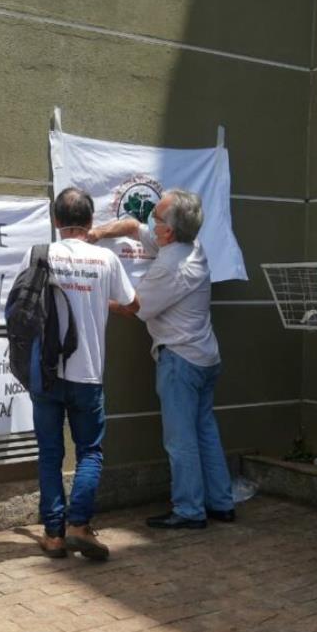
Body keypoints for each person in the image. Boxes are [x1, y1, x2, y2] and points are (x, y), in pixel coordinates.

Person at [88, 189, 236, 530]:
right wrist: (97, 233)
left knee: (180, 440)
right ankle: (221, 503)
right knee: (205, 431)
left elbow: (133, 308)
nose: (150, 223)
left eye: (155, 219)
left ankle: (189, 510)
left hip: (180, 360)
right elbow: (131, 226)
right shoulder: (190, 246)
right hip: (205, 357)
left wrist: (93, 296)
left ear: (168, 231)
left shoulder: (170, 266)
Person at [22, 187, 137, 561]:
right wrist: (99, 300)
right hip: (87, 373)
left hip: (46, 373)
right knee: (89, 451)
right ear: (90, 221)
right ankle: (79, 525)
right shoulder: (105, 259)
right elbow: (133, 305)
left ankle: (54, 535)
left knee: (50, 453)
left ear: (56, 221)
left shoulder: (39, 254)